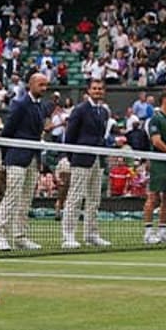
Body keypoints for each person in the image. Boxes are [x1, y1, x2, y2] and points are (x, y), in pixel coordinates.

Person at [0, 72, 49, 250]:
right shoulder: (20, 104)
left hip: (33, 158)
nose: (44, 88)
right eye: (41, 85)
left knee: (26, 199)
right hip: (17, 157)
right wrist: (7, 154)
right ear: (31, 85)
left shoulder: (41, 107)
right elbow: (8, 131)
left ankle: (20, 236)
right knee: (12, 196)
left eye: (46, 85)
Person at [61, 79, 116, 249]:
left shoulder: (104, 111)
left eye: (100, 88)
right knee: (75, 197)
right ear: (89, 91)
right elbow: (70, 136)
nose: (98, 91)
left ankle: (91, 234)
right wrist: (72, 157)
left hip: (97, 159)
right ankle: (68, 235)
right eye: (95, 88)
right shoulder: (80, 110)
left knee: (94, 199)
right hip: (81, 159)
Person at [141, 89, 166, 244]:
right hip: (160, 163)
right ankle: (148, 232)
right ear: (164, 99)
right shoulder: (155, 119)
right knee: (153, 197)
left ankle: (163, 230)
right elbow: (156, 141)